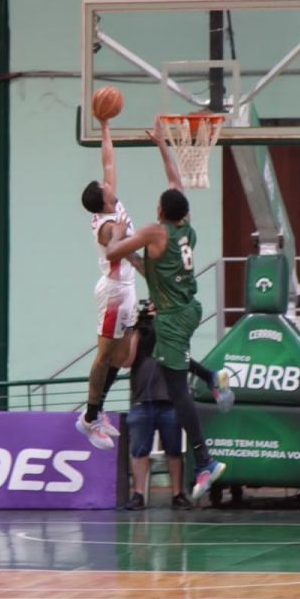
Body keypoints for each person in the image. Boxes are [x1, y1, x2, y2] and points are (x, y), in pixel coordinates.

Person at [103, 119, 233, 502]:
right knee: (166, 358)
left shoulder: (154, 231)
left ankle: (205, 461)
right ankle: (211, 377)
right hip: (187, 307)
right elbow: (176, 180)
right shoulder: (184, 226)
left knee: (177, 391)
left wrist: (115, 230)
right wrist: (162, 145)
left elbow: (112, 252)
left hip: (175, 317)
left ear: (160, 209)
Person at [77, 115, 143, 450]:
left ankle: (97, 410)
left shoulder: (111, 204)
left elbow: (108, 161)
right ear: (103, 200)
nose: (110, 185)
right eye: (106, 188)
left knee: (123, 358)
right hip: (115, 293)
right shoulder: (107, 227)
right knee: (104, 357)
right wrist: (152, 273)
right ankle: (89, 418)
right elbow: (128, 252)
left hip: (127, 289)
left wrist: (104, 127)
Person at [122, 301, 193, 512]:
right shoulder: (138, 333)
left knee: (174, 450)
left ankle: (178, 494)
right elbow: (126, 361)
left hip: (169, 400)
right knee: (139, 450)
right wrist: (136, 330)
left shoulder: (173, 328)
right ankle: (138, 494)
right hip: (142, 401)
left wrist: (161, 323)